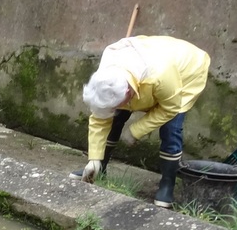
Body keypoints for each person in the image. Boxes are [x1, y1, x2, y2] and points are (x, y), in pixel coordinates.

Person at [77, 35, 211, 208]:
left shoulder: (160, 74)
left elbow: (170, 108)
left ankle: (167, 184)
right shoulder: (107, 66)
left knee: (171, 127)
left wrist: (136, 130)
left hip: (186, 70)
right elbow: (99, 117)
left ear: (128, 94)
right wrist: (93, 158)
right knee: (116, 117)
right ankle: (99, 169)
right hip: (151, 64)